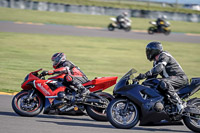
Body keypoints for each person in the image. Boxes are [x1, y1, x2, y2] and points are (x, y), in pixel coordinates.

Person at [136, 41, 188, 113]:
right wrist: (141, 84)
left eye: (149, 51)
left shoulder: (164, 55)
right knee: (152, 83)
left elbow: (159, 68)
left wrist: (145, 74)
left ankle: (179, 103)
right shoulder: (155, 62)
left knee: (163, 82)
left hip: (180, 78)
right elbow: (152, 77)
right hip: (170, 80)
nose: (147, 53)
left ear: (154, 51)